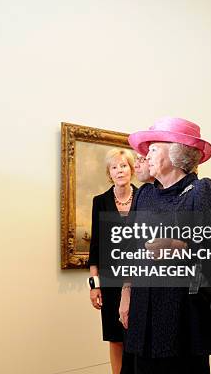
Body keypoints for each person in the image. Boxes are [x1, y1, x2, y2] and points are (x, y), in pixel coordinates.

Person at [120, 117, 211, 374]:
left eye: (154, 148)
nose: (146, 155)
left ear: (177, 151)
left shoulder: (200, 190)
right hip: (143, 308)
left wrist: (180, 246)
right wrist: (126, 294)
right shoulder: (145, 194)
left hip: (183, 313)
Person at [88, 148, 138, 374]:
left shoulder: (144, 197)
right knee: (115, 336)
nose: (120, 171)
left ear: (131, 169)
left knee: (137, 334)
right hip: (110, 280)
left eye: (124, 165)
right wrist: (94, 285)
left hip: (140, 278)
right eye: (115, 167)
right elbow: (95, 245)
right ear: (109, 173)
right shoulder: (100, 201)